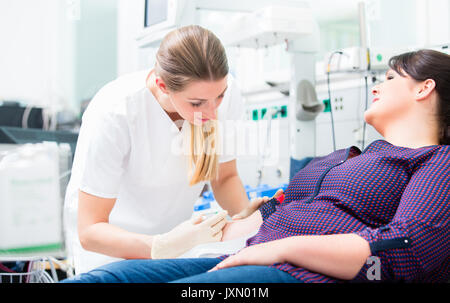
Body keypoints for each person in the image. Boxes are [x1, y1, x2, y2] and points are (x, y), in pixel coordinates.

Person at [62, 49, 450, 283]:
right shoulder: (347, 158)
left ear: (424, 88)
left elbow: (403, 248)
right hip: (247, 256)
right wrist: (190, 237)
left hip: (294, 272)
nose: (376, 86)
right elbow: (267, 214)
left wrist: (279, 249)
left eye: (388, 77)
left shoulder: (437, 161)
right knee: (108, 277)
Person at [63, 25, 264, 274]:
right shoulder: (115, 112)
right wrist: (162, 245)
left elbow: (225, 177)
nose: (213, 112)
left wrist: (248, 221)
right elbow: (90, 230)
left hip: (180, 247)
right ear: (163, 85)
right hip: (110, 254)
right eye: (197, 103)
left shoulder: (224, 91)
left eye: (219, 97)